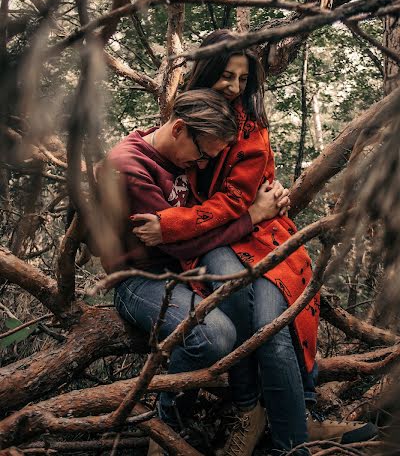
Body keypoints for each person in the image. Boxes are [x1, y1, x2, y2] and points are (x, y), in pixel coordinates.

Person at [133, 30, 376, 455]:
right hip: (214, 238)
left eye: (242, 79)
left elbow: (235, 202)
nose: (233, 87)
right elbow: (160, 157)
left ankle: (292, 436)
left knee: (271, 320)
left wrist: (172, 224)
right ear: (205, 72)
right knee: (245, 315)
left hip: (257, 233)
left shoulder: (252, 129)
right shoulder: (186, 114)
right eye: (225, 75)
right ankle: (266, 417)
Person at [100, 89, 287, 454]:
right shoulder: (130, 166)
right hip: (139, 278)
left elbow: (205, 220)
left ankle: (255, 410)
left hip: (186, 272)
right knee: (214, 335)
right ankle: (164, 430)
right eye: (202, 154)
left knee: (250, 304)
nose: (202, 165)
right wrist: (253, 216)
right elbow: (179, 244)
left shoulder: (182, 154)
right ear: (179, 129)